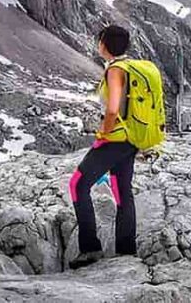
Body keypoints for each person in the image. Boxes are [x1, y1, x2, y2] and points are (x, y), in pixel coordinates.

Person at [68, 25, 139, 269]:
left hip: (114, 140)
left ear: (105, 44)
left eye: (100, 40)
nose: (98, 44)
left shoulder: (115, 71)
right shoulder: (130, 67)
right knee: (122, 192)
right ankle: (126, 250)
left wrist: (103, 135)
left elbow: (112, 109)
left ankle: (90, 248)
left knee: (77, 184)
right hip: (130, 140)